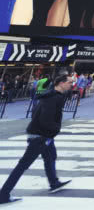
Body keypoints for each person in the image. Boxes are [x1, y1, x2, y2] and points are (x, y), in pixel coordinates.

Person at [0, 74, 72, 204]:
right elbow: (46, 119)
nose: (71, 85)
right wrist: (56, 129)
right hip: (41, 136)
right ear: (61, 83)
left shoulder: (50, 96)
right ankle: (3, 194)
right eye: (69, 82)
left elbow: (36, 113)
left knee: (50, 156)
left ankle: (54, 182)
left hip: (42, 135)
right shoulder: (53, 98)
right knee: (23, 165)